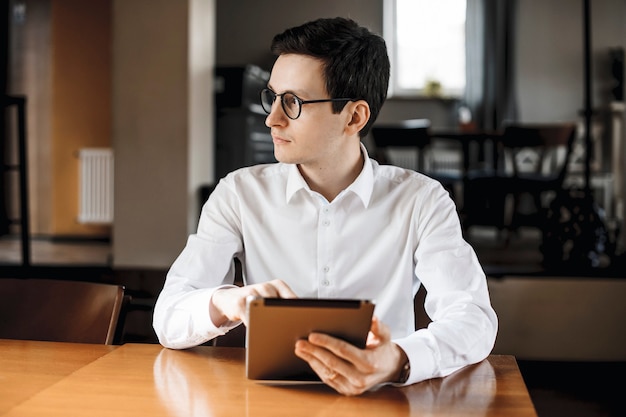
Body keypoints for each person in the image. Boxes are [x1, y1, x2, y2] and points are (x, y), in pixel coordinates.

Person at [153, 16, 498, 396]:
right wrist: (227, 300)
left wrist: (397, 359)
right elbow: (168, 319)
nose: (272, 119)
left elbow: (474, 320)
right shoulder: (238, 194)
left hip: (381, 402)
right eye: (272, 97)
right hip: (268, 402)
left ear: (354, 116)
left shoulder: (422, 201)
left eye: (293, 102)